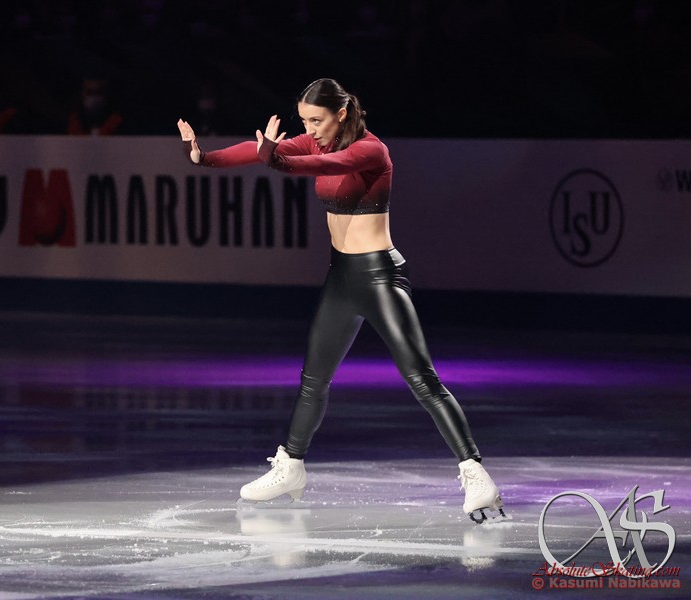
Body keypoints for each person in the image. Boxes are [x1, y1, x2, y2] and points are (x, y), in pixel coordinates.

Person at [177, 78, 505, 523]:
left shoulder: (370, 151)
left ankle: (476, 474)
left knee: (421, 378)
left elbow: (314, 165)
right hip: (341, 278)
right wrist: (203, 157)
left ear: (342, 113)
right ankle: (291, 466)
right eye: (304, 122)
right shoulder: (317, 140)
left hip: (379, 277)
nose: (309, 130)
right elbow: (262, 151)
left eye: (317, 120)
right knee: (313, 380)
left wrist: (272, 157)